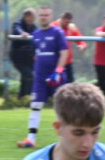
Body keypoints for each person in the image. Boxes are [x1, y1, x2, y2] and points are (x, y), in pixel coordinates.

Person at [16, 6, 69, 149]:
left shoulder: (57, 32)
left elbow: (64, 53)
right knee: (35, 106)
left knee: (61, 107)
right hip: (40, 77)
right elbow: (35, 55)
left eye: (46, 15)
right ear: (38, 17)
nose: (43, 17)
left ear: (50, 17)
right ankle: (30, 139)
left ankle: (66, 140)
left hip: (56, 76)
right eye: (41, 15)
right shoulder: (36, 34)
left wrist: (58, 72)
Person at [8, 8, 37, 98]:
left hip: (29, 57)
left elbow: (35, 42)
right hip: (18, 57)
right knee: (29, 75)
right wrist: (22, 33)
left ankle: (21, 97)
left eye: (33, 17)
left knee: (26, 76)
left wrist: (35, 54)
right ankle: (26, 97)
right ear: (25, 17)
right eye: (30, 17)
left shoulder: (34, 27)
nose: (32, 19)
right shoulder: (18, 23)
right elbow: (17, 29)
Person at [51, 12, 86, 84]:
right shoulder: (53, 26)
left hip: (67, 62)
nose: (67, 24)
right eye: (66, 22)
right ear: (61, 19)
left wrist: (82, 46)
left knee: (70, 84)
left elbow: (81, 41)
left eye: (69, 22)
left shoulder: (71, 28)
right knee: (54, 83)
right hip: (55, 62)